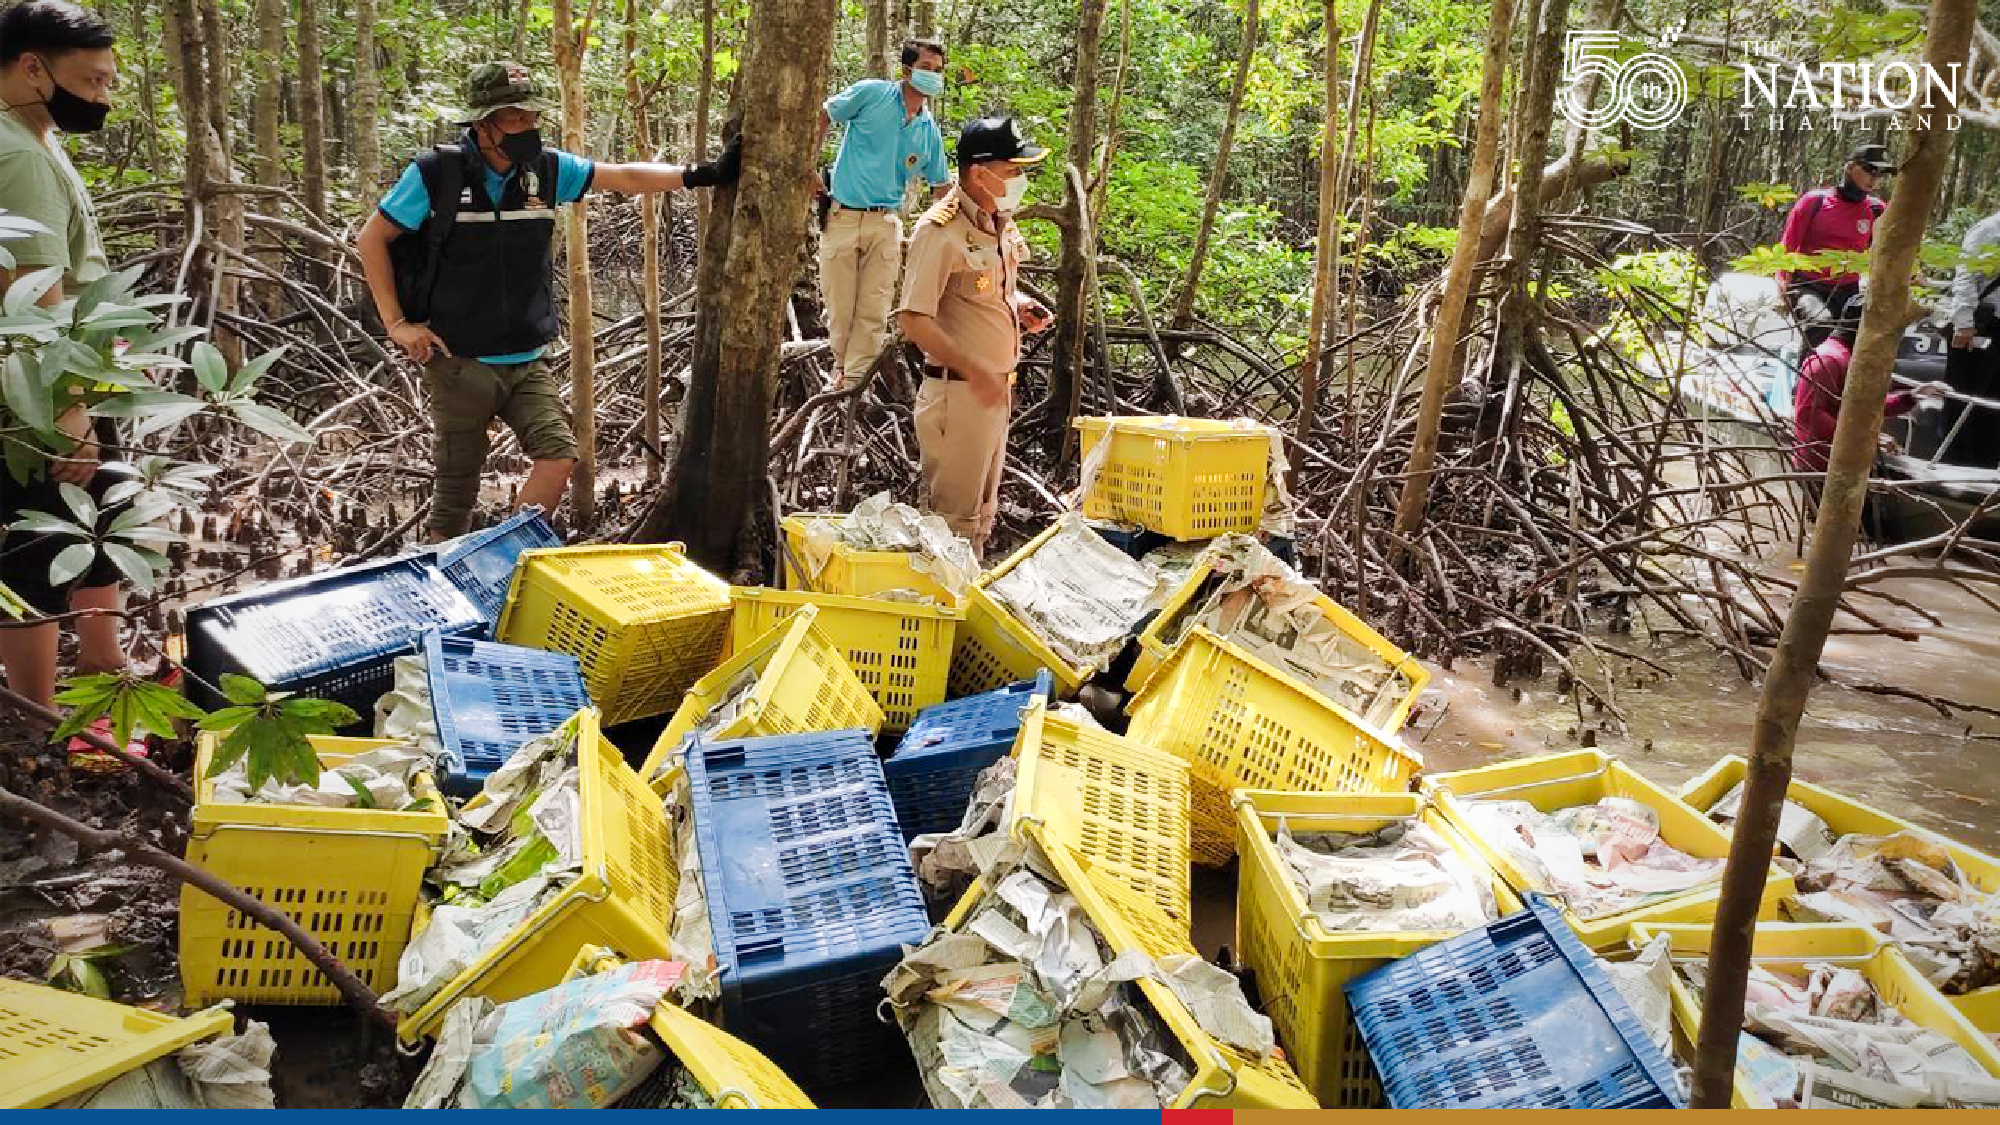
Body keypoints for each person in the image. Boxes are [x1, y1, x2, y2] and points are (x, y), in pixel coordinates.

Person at [356, 61, 740, 541]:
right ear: (482, 124)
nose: (527, 127)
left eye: (531, 117)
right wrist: (396, 325)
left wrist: (702, 174)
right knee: (456, 489)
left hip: (526, 358)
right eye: (514, 118)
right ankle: (444, 570)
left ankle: (507, 554)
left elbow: (622, 177)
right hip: (457, 359)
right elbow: (371, 239)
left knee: (558, 457)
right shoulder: (436, 174)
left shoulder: (547, 171)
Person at [0, 0, 149, 770]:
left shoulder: (37, 135)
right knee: (41, 544)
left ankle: (104, 671)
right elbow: (31, 298)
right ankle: (41, 720)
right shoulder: (17, 154)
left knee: (100, 522)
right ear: (33, 67)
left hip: (82, 371)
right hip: (42, 387)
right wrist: (68, 411)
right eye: (92, 81)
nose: (104, 97)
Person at [896, 115, 1051, 560]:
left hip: (992, 393)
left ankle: (970, 592)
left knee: (982, 515)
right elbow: (913, 319)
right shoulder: (938, 231)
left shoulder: (997, 222)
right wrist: (974, 370)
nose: (1019, 180)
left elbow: (987, 289)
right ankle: (944, 598)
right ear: (980, 174)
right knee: (952, 522)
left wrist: (1018, 306)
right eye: (1012, 170)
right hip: (958, 394)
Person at [813, 39, 953, 390]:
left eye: (938, 71)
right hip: (843, 215)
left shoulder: (928, 131)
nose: (933, 76)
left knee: (873, 312)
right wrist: (807, 167)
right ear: (906, 71)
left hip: (886, 222)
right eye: (926, 68)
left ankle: (852, 385)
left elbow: (942, 186)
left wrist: (954, 231)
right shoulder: (872, 94)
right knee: (840, 308)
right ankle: (842, 370)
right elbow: (825, 113)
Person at [1791, 293, 1946, 473]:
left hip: (1849, 464)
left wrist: (1911, 397)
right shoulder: (1828, 359)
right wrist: (1866, 438)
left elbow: (1862, 407)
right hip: (1820, 466)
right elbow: (1808, 416)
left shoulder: (1852, 358)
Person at [1778, 143, 1893, 351]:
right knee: (1820, 324)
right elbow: (1787, 248)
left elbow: (1887, 252)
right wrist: (1781, 290)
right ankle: (1809, 371)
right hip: (1808, 285)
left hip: (1848, 289)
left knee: (1862, 334)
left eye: (1880, 174)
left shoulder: (1876, 209)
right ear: (1850, 167)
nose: (1874, 178)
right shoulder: (1814, 202)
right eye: (1869, 170)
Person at [1941, 207, 2000, 466]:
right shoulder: (1989, 230)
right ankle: (1954, 464)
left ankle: (1985, 466)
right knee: (1963, 398)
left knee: (1992, 403)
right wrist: (1964, 324)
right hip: (1979, 326)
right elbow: (1965, 277)